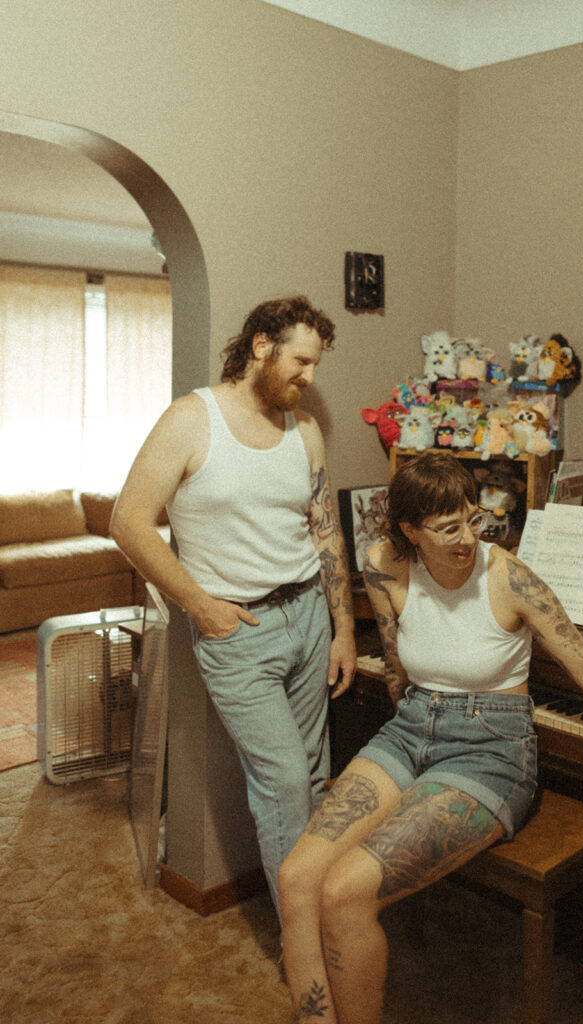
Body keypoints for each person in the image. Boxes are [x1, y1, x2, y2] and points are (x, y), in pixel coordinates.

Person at [277, 450, 583, 1024]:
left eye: (472, 519)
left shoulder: (509, 577)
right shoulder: (384, 562)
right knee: (297, 879)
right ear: (411, 531)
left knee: (345, 892)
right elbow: (396, 665)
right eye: (446, 529)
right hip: (412, 726)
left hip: (490, 749)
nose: (467, 538)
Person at [110, 295, 357, 918]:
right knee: (283, 783)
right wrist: (199, 605)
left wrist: (344, 628)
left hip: (308, 614)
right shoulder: (191, 420)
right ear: (260, 347)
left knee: (313, 773)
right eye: (301, 361)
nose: (310, 377)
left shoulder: (305, 431)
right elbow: (129, 522)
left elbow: (325, 531)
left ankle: (316, 918)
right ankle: (300, 938)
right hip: (238, 631)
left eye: (316, 365)